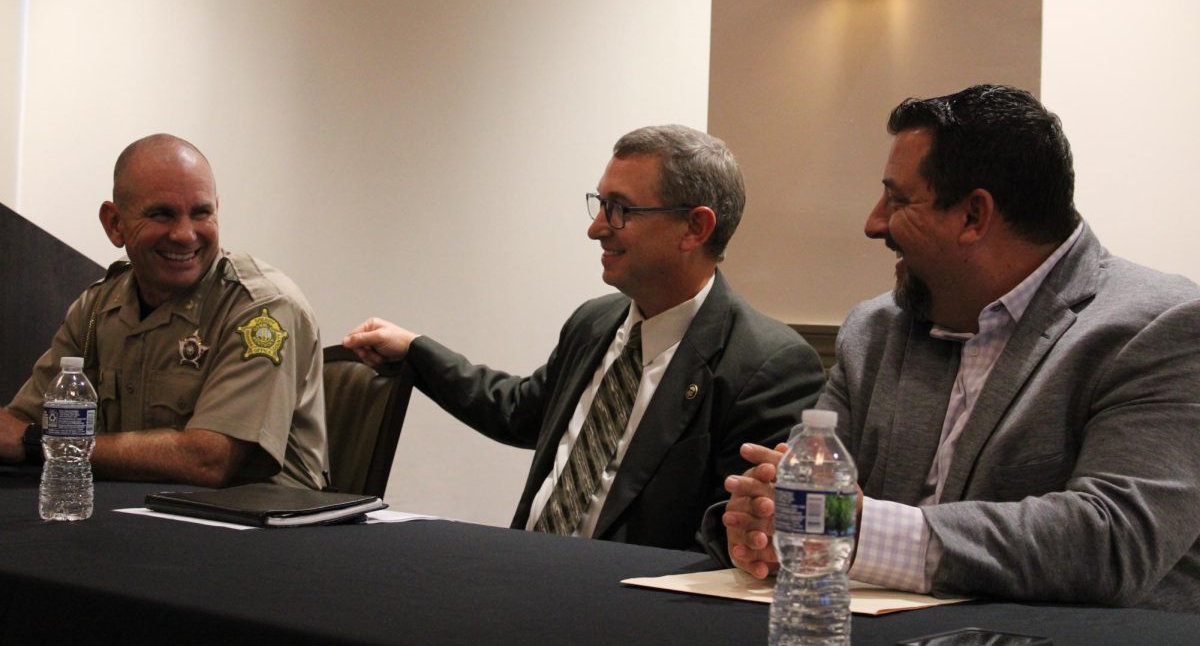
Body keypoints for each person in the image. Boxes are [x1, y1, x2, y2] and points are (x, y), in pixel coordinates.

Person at [716, 85, 1200, 612]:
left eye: (898, 200)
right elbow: (807, 498)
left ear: (974, 216)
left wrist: (858, 530)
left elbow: (1113, 540)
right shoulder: (876, 330)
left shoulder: (1160, 327)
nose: (873, 222)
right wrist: (764, 520)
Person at [344, 124, 824, 550]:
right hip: (522, 578)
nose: (596, 229)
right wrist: (415, 350)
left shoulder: (767, 365)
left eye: (620, 210)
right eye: (600, 204)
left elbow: (732, 542)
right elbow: (517, 410)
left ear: (694, 228)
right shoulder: (594, 323)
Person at [0, 134, 328, 489]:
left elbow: (209, 460)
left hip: (260, 528)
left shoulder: (261, 309)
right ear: (114, 224)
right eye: (162, 214)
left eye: (201, 213)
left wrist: (43, 444)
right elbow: (19, 423)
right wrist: (25, 436)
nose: (185, 234)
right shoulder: (97, 307)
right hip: (137, 515)